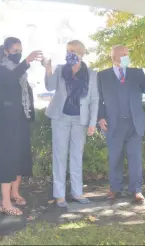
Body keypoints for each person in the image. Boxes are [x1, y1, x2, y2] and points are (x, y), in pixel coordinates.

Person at [97, 44, 145, 204]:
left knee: (135, 158)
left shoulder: (136, 73)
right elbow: (98, 99)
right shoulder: (102, 76)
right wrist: (100, 117)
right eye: (123, 54)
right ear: (113, 57)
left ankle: (137, 190)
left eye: (127, 54)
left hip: (134, 123)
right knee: (115, 159)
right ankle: (114, 188)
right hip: (113, 124)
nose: (126, 57)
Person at [43, 40, 99, 208]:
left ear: (82, 52)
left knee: (76, 156)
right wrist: (48, 69)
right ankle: (59, 195)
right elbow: (50, 86)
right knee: (59, 156)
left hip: (80, 120)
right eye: (69, 50)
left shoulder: (91, 73)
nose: (71, 53)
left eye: (74, 50)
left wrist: (92, 121)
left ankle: (77, 192)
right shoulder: (61, 69)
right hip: (60, 117)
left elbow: (95, 99)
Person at [0, 37, 42, 216]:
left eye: (20, 51)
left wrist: (30, 114)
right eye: (15, 51)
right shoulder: (0, 69)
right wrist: (26, 61)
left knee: (21, 156)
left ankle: (15, 193)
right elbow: (11, 80)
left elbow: (26, 93)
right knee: (9, 158)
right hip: (7, 120)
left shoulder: (21, 72)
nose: (18, 54)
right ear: (6, 51)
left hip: (21, 119)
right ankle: (5, 203)